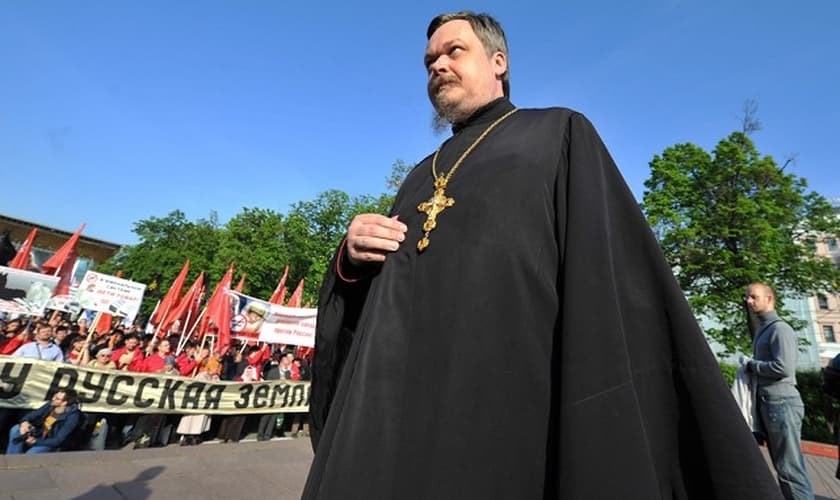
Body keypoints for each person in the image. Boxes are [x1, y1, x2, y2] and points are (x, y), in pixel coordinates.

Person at [303, 11, 781, 499]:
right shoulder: (418, 177)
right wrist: (350, 261)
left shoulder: (557, 136)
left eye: (453, 51)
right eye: (429, 61)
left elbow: (611, 282)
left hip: (514, 416)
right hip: (403, 420)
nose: (437, 66)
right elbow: (377, 312)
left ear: (499, 62)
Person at [741, 283, 815, 499]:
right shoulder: (764, 329)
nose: (749, 301)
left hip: (781, 404)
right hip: (772, 403)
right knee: (785, 468)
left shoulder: (780, 329)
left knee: (790, 470)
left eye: (754, 297)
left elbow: (783, 368)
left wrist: (752, 365)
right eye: (747, 297)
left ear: (769, 299)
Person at [6, 389, 82, 454]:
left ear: (64, 403)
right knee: (16, 429)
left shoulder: (72, 417)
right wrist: (24, 422)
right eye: (54, 396)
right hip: (38, 433)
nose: (53, 399)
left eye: (57, 399)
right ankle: (12, 457)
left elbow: (58, 440)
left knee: (31, 455)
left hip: (50, 441)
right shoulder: (50, 405)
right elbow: (33, 415)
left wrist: (35, 441)